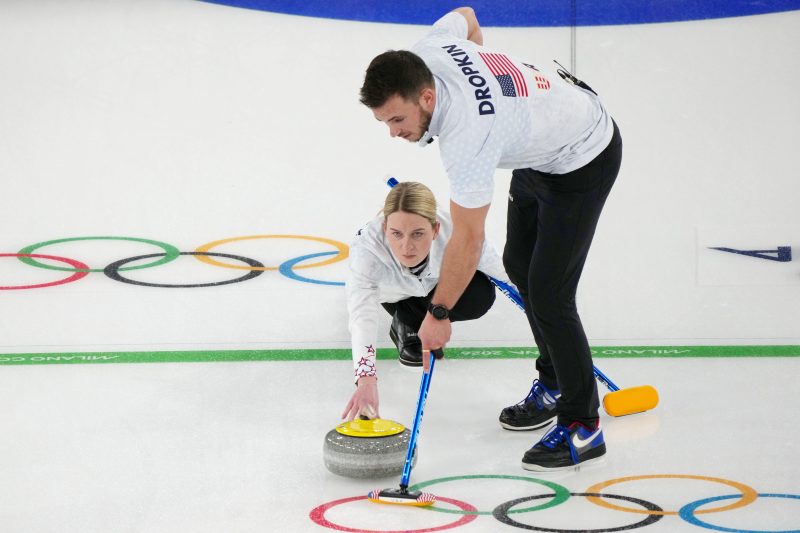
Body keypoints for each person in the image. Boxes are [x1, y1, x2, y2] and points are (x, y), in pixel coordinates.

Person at [358, 7, 623, 471]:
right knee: (521, 268)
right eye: (385, 123)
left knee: (551, 293)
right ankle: (555, 382)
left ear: (426, 97)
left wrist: (439, 313)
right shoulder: (427, 51)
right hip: (538, 150)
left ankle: (583, 426)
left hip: (583, 156)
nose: (394, 133)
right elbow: (467, 15)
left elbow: (468, 239)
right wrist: (494, 103)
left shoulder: (468, 138)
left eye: (397, 119)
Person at [341, 181, 507, 422]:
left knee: (479, 294)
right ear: (385, 228)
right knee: (403, 304)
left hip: (438, 288)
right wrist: (366, 379)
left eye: (418, 234)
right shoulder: (367, 251)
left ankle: (424, 318)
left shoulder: (455, 231)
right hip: (398, 297)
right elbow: (362, 315)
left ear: (436, 229)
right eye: (396, 234)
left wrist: (545, 318)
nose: (406, 246)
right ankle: (406, 322)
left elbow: (504, 273)